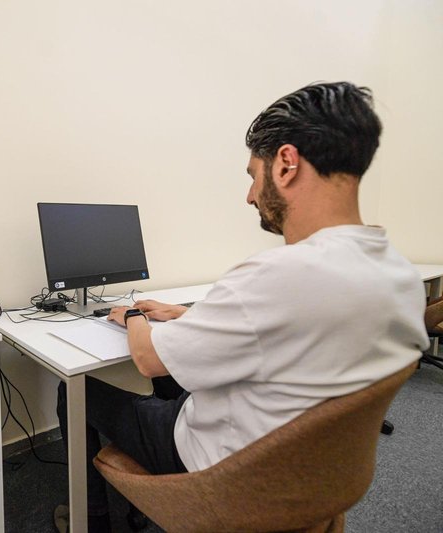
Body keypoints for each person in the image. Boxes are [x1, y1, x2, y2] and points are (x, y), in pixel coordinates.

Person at [55, 81, 430, 532]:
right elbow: (296, 329)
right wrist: (186, 315)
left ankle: (90, 519)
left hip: (225, 472)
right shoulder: (400, 277)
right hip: (309, 470)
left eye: (253, 175)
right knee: (176, 378)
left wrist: (132, 315)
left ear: (286, 164)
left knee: (73, 391)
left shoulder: (274, 276)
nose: (250, 195)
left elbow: (148, 358)